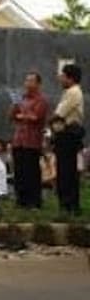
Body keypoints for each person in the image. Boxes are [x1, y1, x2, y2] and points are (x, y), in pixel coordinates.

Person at [10, 72, 49, 208]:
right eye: (26, 81)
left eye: (31, 81)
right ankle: (21, 200)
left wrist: (22, 115)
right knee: (19, 171)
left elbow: (35, 117)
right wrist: (15, 106)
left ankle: (34, 201)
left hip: (32, 141)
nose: (27, 84)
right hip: (18, 139)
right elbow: (12, 116)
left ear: (38, 84)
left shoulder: (41, 100)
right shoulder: (21, 99)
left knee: (31, 172)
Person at [52, 64, 85, 215]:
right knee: (66, 170)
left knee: (66, 171)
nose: (60, 79)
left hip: (68, 134)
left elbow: (59, 114)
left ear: (70, 78)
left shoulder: (73, 92)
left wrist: (50, 122)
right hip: (66, 134)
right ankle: (68, 204)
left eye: (63, 76)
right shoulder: (70, 92)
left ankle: (69, 204)